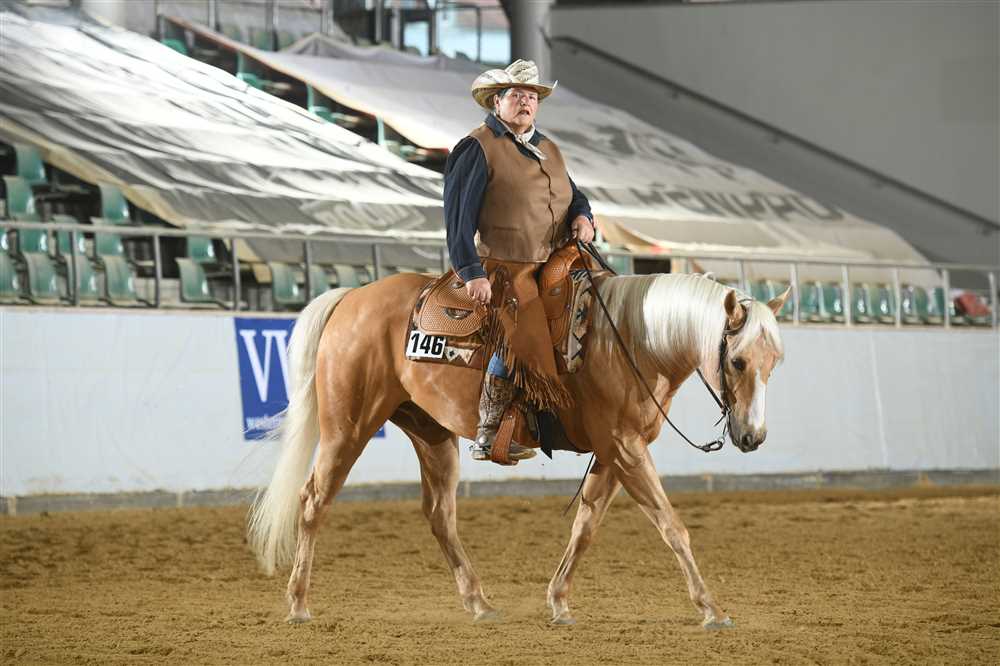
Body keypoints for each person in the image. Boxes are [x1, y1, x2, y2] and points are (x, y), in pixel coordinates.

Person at [442, 59, 597, 462]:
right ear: (497, 102)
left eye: (532, 96)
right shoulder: (477, 147)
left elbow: (574, 195)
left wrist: (583, 216)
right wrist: (471, 272)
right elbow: (457, 220)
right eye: (517, 95)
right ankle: (489, 430)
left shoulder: (548, 148)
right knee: (520, 332)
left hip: (558, 260)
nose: (526, 102)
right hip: (506, 267)